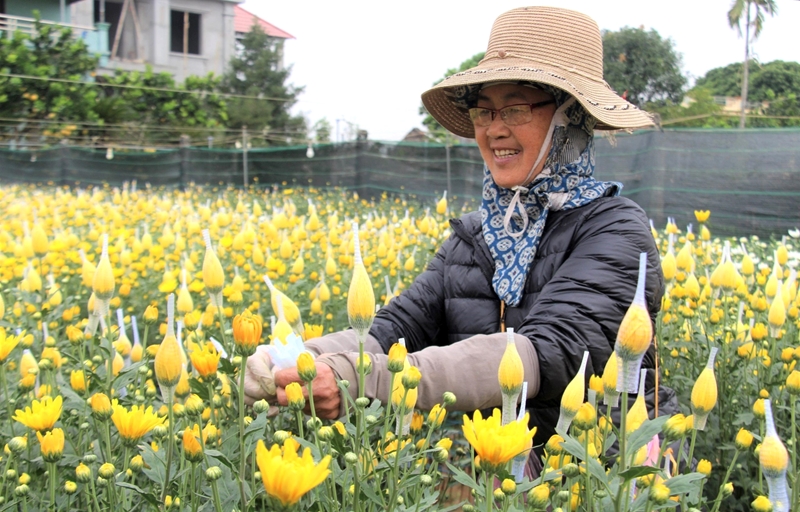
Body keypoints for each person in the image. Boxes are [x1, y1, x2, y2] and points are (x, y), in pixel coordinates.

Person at [244, 6, 678, 463]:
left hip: (608, 472)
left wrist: (362, 377)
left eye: (515, 108)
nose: (494, 130)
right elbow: (395, 329)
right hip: (503, 469)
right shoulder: (475, 236)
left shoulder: (614, 228)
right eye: (483, 111)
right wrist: (301, 359)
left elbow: (549, 352)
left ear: (570, 117)